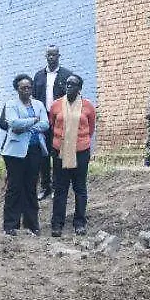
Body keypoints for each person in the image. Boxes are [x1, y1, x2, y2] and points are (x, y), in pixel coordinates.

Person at [0, 74, 50, 235]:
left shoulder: (39, 104)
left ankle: (31, 223)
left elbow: (45, 124)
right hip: (14, 153)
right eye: (23, 88)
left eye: (29, 87)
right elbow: (13, 123)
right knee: (15, 187)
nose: (26, 90)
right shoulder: (11, 104)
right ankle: (10, 225)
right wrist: (34, 120)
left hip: (34, 150)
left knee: (31, 186)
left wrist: (27, 124)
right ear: (17, 89)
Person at [48, 75, 97, 237]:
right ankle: (57, 224)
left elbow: (90, 129)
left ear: (79, 88)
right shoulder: (56, 105)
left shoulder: (88, 106)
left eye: (73, 84)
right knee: (60, 188)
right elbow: (52, 124)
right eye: (67, 84)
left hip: (81, 152)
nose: (69, 86)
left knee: (80, 188)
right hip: (60, 151)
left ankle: (79, 223)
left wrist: (78, 142)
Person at [32, 46, 73, 201]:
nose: (51, 57)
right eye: (48, 55)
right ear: (45, 56)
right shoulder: (38, 76)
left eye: (54, 55)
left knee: (57, 154)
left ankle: (57, 186)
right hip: (43, 119)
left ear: (58, 56)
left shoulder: (66, 75)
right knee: (43, 153)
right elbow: (34, 98)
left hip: (59, 119)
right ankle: (45, 187)